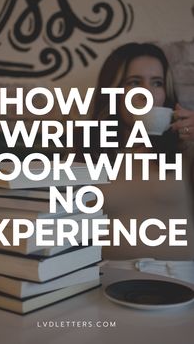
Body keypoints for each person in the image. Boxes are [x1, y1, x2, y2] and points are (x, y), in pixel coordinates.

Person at [81, 43, 194, 280]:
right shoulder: (85, 152)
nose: (147, 93)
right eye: (134, 82)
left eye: (157, 83)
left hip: (181, 281)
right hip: (103, 279)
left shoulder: (186, 146)